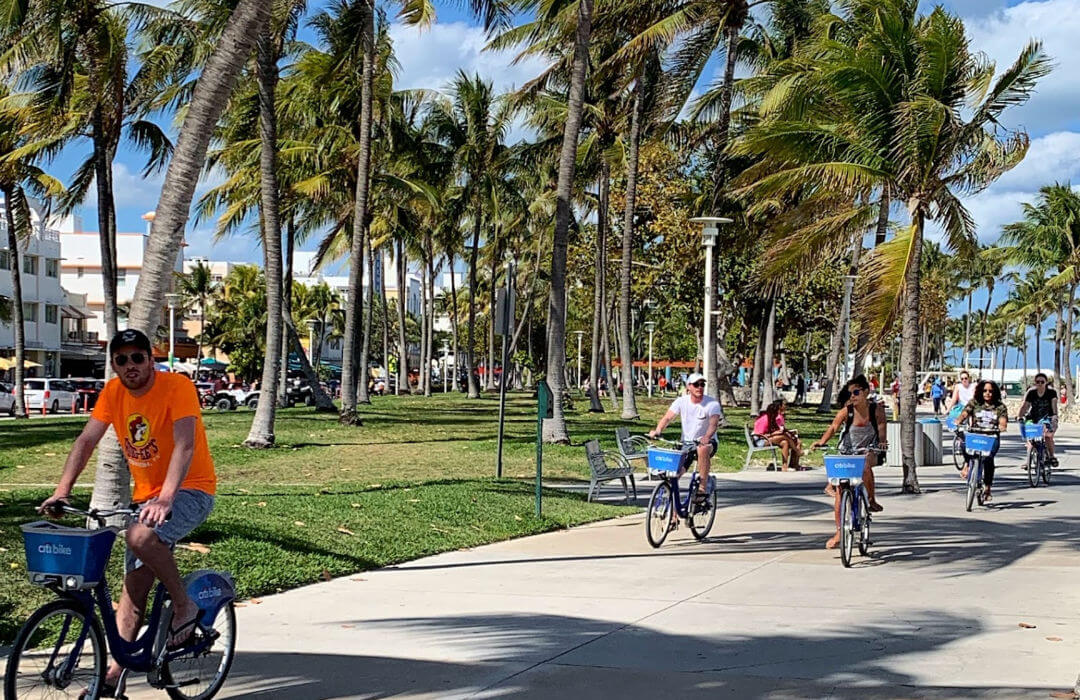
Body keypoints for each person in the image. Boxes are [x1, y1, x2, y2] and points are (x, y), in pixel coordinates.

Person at [39, 329, 217, 696]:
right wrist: (62, 491)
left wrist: (166, 498)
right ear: (114, 365)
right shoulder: (113, 393)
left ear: (151, 359)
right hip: (144, 499)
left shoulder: (177, 387)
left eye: (138, 357)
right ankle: (115, 673)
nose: (130, 365)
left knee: (138, 536)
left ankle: (183, 606)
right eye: (121, 359)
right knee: (133, 590)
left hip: (190, 489)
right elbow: (86, 440)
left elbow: (185, 444)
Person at [811, 375, 887, 550]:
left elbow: (882, 429)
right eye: (850, 393)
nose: (852, 396)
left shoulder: (876, 410)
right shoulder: (847, 411)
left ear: (866, 392)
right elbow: (833, 427)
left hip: (869, 449)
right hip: (846, 451)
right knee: (840, 493)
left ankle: (872, 499)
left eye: (856, 392)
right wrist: (822, 441)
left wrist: (882, 443)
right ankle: (839, 531)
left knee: (866, 465)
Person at [647, 373, 721, 503]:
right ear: (688, 387)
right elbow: (667, 418)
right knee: (675, 474)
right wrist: (658, 430)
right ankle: (673, 513)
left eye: (702, 384)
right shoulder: (681, 402)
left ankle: (702, 487)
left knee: (702, 449)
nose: (699, 387)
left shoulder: (712, 404)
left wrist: (707, 437)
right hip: (687, 443)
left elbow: (713, 424)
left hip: (707, 442)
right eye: (696, 384)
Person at [956, 379, 1008, 503]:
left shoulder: (1000, 406)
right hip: (976, 435)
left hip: (991, 437)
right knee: (963, 444)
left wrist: (1002, 426)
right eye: (985, 390)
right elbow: (965, 413)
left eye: (990, 391)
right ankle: (967, 464)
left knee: (989, 459)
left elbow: (1003, 421)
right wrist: (958, 421)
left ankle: (988, 488)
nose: (987, 393)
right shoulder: (974, 403)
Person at [1018, 372, 1059, 467]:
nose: (1040, 384)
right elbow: (1025, 406)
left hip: (1047, 417)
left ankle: (1052, 456)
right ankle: (1028, 460)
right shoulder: (1031, 393)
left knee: (1048, 436)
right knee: (1030, 437)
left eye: (1042, 382)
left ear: (1046, 382)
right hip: (1033, 417)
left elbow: (1054, 405)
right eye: (1038, 382)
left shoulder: (1051, 393)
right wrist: (1020, 416)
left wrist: (1054, 416)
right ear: (1035, 383)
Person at [753, 399, 803, 471]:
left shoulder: (772, 419)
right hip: (760, 440)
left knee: (785, 442)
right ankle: (797, 451)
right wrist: (774, 434)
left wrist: (777, 433)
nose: (778, 414)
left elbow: (776, 430)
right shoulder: (764, 419)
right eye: (777, 412)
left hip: (767, 438)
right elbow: (759, 434)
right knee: (783, 436)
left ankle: (785, 466)